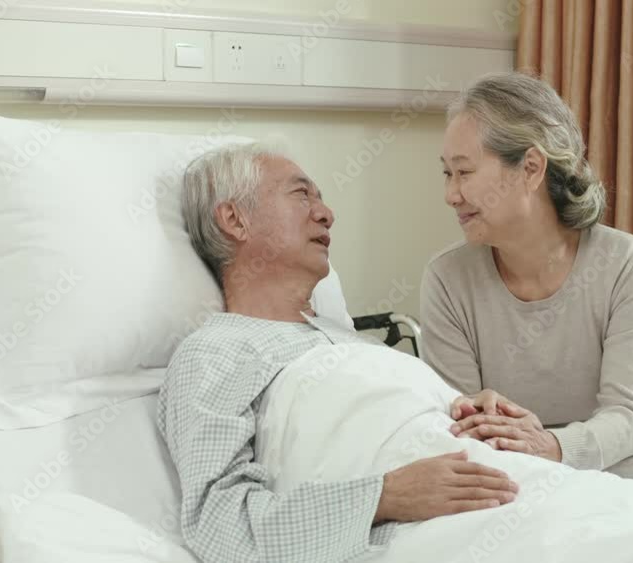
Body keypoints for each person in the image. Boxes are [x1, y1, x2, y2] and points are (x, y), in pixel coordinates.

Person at [158, 142, 520, 563]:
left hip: (509, 490)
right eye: (301, 195)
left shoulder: (353, 344)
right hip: (442, 534)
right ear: (234, 219)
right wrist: (383, 497)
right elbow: (221, 527)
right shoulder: (214, 353)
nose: (326, 213)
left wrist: (477, 415)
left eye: (321, 197)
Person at [421, 71, 633, 510]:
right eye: (447, 174)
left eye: (465, 172)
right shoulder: (447, 280)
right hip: (519, 493)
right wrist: (476, 414)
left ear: (530, 168)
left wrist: (553, 445)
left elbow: (629, 415)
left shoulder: (627, 263)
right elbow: (464, 435)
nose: (451, 194)